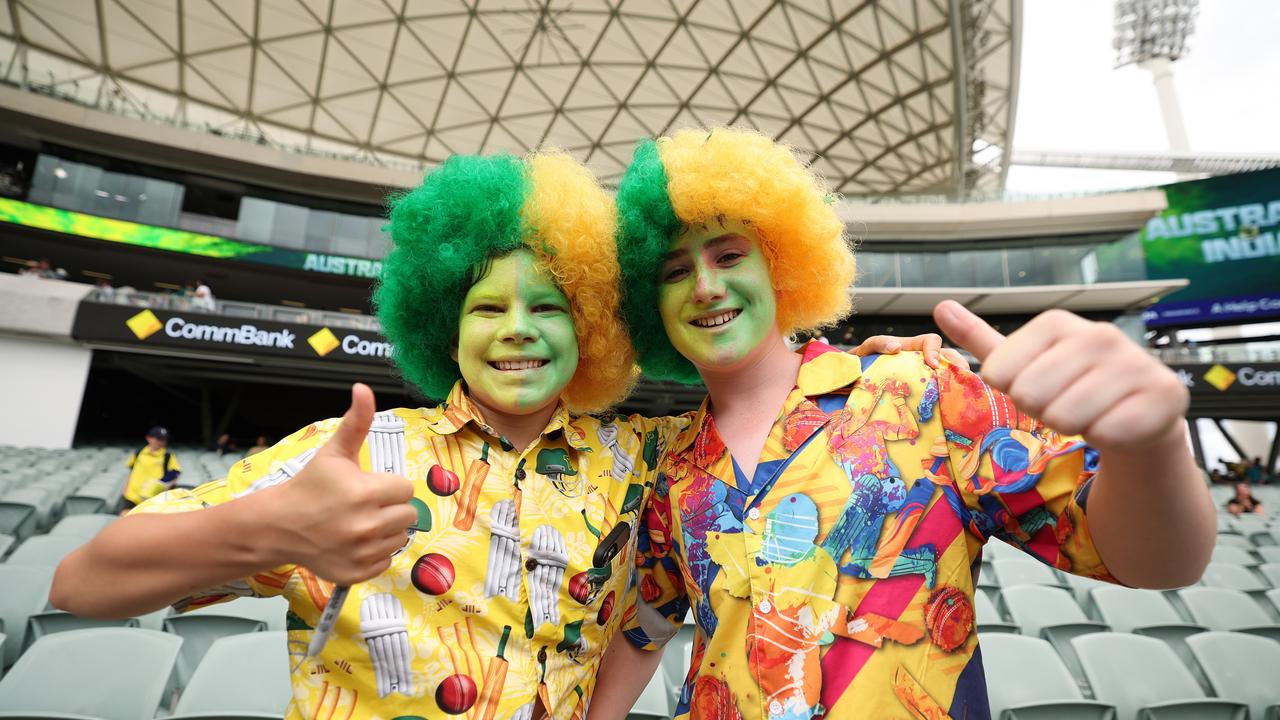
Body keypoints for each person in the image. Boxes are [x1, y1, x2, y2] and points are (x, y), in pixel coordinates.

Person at [53, 149, 947, 720]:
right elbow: (83, 583)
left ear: (592, 327)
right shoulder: (352, 457)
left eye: (549, 307)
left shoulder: (646, 466)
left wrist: (856, 363)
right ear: (446, 323)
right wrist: (269, 531)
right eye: (488, 306)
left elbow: (759, 424)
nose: (518, 329)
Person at [589, 127, 1215, 719]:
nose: (704, 286)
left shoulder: (922, 392)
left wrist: (1151, 449)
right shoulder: (667, 464)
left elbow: (1155, 563)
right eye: (674, 271)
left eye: (729, 255)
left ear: (780, 268)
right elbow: (649, 623)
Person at [121, 426, 182, 512]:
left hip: (152, 498)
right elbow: (131, 470)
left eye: (164, 440)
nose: (161, 442)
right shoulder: (139, 453)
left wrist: (162, 483)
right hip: (132, 495)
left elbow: (175, 472)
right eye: (159, 439)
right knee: (125, 518)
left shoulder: (167, 456)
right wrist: (125, 487)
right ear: (149, 438)